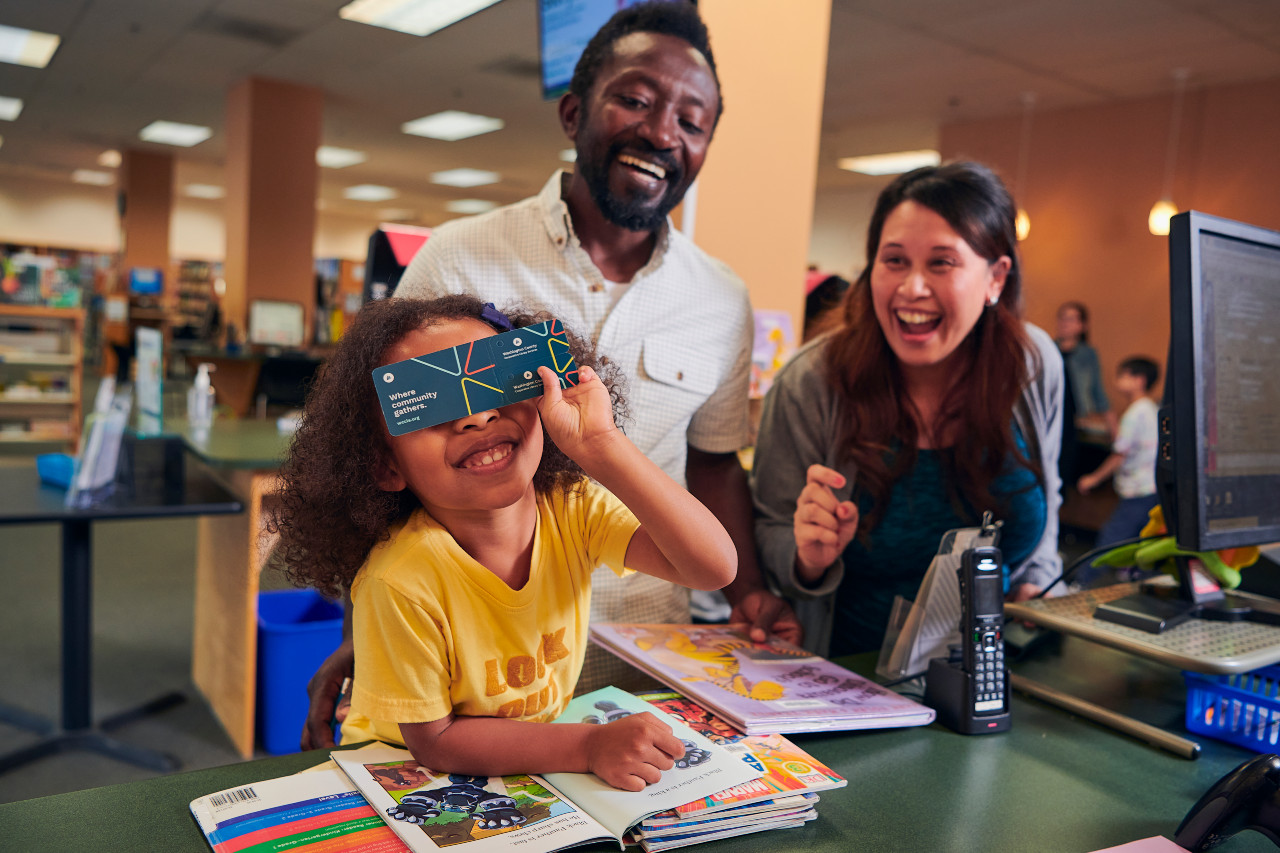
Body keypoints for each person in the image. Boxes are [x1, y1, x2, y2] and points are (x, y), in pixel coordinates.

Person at [334, 2, 795, 712]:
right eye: (635, 99)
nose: (662, 132)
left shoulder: (721, 298)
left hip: (651, 646)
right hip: (478, 657)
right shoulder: (460, 259)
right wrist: (365, 630)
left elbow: (712, 461)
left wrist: (752, 591)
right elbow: (391, 443)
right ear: (575, 113)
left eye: (691, 122)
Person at [270, 295, 736, 791]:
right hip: (401, 768)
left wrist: (601, 445)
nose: (476, 416)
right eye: (431, 406)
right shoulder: (400, 580)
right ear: (384, 466)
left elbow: (712, 568)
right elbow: (435, 741)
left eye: (494, 383)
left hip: (524, 759)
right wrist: (586, 746)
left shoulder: (572, 508)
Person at [751, 162, 1065, 657]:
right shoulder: (810, 383)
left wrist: (1040, 585)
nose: (912, 288)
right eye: (894, 260)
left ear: (996, 278)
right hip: (851, 682)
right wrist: (809, 557)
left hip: (1004, 674)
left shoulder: (1032, 363)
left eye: (942, 263)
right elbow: (770, 529)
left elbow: (1048, 494)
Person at [1077, 356, 1161, 551]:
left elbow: (1119, 454)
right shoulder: (1151, 409)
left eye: (1123, 375)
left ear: (1139, 380)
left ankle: (1082, 580)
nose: (1117, 381)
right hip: (1151, 486)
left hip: (1137, 489)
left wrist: (1093, 478)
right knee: (1140, 540)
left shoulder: (1134, 414)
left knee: (1111, 538)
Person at [1055, 301, 1113, 430]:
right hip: (1052, 414)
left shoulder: (1088, 354)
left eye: (1070, 319)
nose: (1065, 323)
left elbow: (1097, 388)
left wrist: (1112, 425)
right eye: (1062, 318)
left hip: (1078, 417)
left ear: (1082, 325)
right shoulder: (1049, 350)